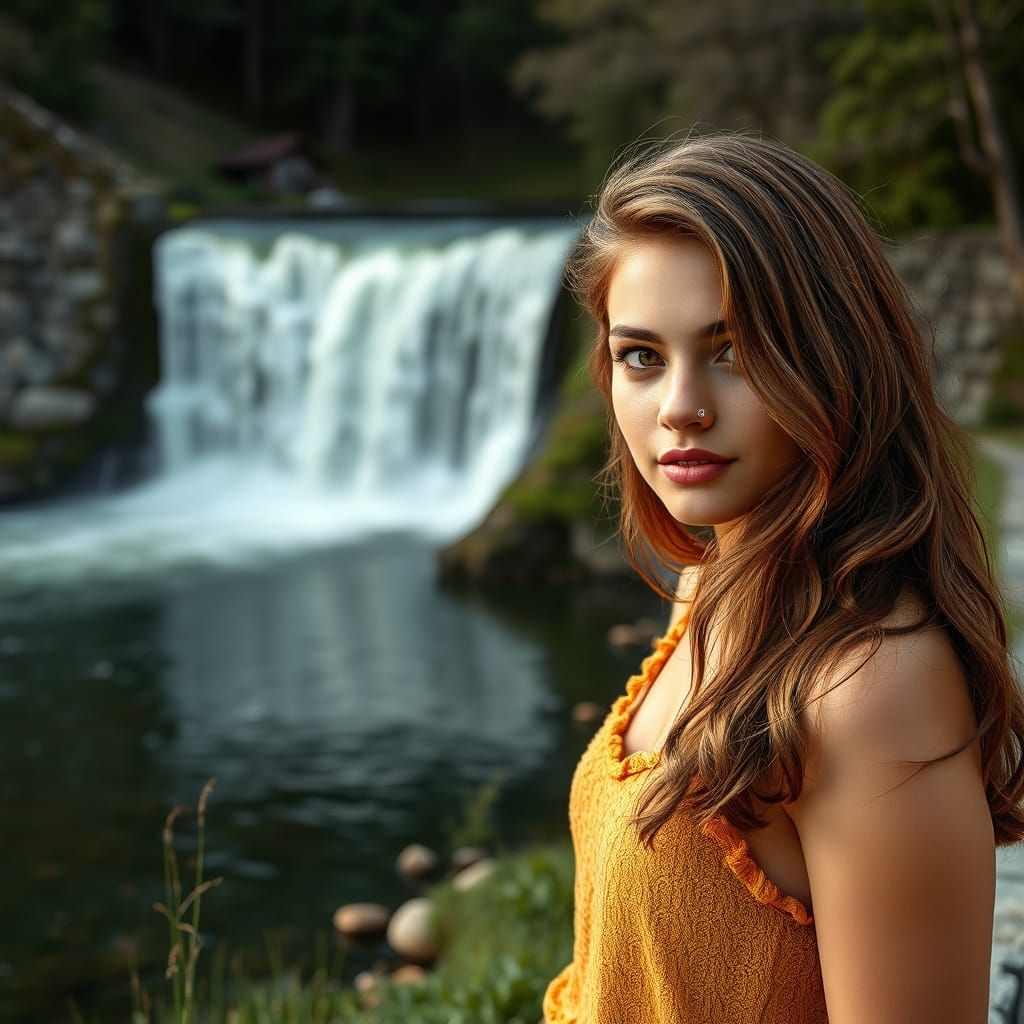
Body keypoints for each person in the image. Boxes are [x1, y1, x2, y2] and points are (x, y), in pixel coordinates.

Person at [540, 130, 1024, 1024]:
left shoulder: (872, 688)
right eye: (642, 356)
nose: (680, 407)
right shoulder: (713, 582)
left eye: (730, 350)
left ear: (836, 355)